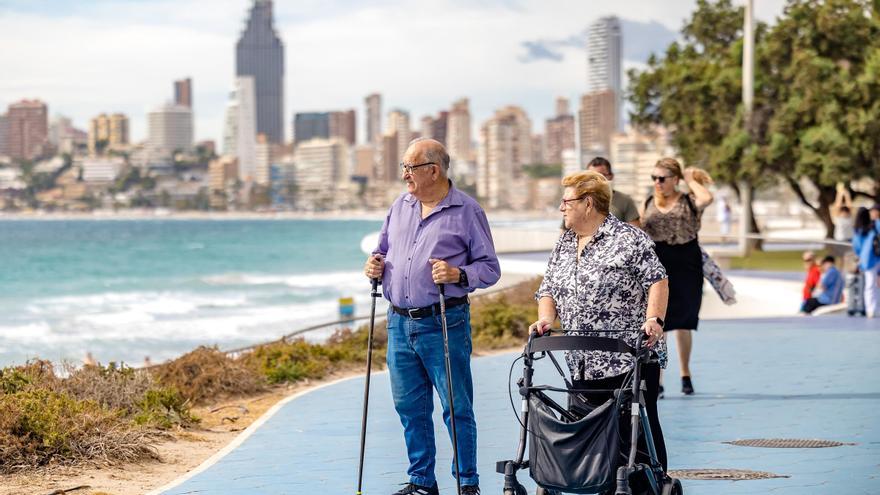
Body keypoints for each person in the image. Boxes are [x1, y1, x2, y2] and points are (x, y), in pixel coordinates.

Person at [364, 138, 500, 495]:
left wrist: (459, 275)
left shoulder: (467, 211)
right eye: (404, 168)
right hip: (398, 323)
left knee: (456, 407)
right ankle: (422, 481)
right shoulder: (400, 206)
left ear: (433, 170)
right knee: (410, 407)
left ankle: (467, 482)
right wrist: (373, 265)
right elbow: (381, 249)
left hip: (443, 321)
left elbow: (490, 268)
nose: (404, 175)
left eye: (410, 168)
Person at [529, 170, 670, 470]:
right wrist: (544, 319)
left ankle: (650, 487)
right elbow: (549, 288)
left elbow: (657, 280)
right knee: (590, 444)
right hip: (581, 362)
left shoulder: (629, 240)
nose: (561, 208)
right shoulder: (565, 243)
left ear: (588, 203)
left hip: (627, 360)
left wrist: (654, 319)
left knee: (636, 441)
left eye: (566, 201)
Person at [640, 158, 712, 396]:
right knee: (658, 321)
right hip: (658, 263)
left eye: (662, 178)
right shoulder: (649, 202)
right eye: (654, 178)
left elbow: (707, 198)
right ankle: (658, 379)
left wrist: (691, 179)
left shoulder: (688, 201)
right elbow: (638, 231)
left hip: (687, 263)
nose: (657, 183)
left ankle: (685, 373)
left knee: (683, 323)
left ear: (675, 180)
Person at [586, 156, 640, 226]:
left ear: (611, 176)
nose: (597, 180)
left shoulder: (625, 201)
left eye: (601, 176)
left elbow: (636, 232)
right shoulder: (579, 201)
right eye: (592, 176)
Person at [852, 206, 880, 318]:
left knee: (869, 285)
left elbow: (857, 247)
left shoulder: (858, 230)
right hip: (877, 257)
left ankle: (870, 309)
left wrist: (859, 257)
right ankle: (873, 308)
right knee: (874, 284)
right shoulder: (875, 225)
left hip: (867, 261)